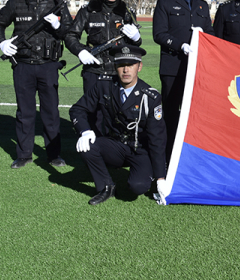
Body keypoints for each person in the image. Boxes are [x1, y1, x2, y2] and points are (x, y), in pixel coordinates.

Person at [0, 0, 73, 169]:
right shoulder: (16, 2)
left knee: (51, 113)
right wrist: (1, 43)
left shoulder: (59, 5)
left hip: (49, 66)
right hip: (23, 66)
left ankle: (54, 155)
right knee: (24, 112)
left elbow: (70, 34)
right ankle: (24, 155)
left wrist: (59, 26)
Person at [69, 44, 168, 205]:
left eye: (131, 65)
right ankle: (106, 187)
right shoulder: (104, 85)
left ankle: (147, 174)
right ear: (115, 66)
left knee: (138, 187)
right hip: (115, 144)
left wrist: (160, 177)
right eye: (121, 65)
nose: (126, 70)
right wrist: (85, 131)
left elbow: (157, 138)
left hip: (139, 150)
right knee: (88, 146)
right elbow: (77, 109)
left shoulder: (150, 97)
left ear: (139, 67)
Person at [153, 0, 214, 159]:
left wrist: (205, 35)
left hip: (196, 68)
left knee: (195, 112)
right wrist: (180, 46)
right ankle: (167, 154)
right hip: (172, 67)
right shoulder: (165, 3)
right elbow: (159, 34)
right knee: (171, 112)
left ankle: (190, 154)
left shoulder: (202, 5)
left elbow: (210, 32)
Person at [65, 0, 142, 96]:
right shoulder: (88, 11)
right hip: (94, 71)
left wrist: (137, 39)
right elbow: (70, 36)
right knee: (91, 107)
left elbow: (134, 46)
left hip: (119, 72)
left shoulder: (127, 12)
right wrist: (81, 51)